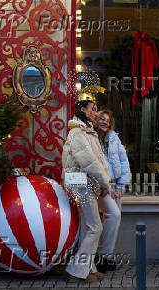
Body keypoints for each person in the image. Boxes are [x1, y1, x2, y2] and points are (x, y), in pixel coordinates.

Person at [62, 100, 111, 282]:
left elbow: (97, 161)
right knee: (95, 226)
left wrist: (100, 182)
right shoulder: (78, 132)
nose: (95, 113)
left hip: (85, 182)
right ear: (82, 110)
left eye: (97, 109)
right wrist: (105, 182)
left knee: (87, 226)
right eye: (93, 109)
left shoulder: (87, 132)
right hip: (79, 182)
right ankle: (76, 270)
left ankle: (88, 268)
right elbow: (89, 161)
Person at [94, 110, 131, 272]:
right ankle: (97, 255)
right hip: (100, 186)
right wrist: (106, 185)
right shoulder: (92, 138)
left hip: (116, 185)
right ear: (96, 120)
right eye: (102, 119)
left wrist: (122, 184)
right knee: (106, 217)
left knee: (114, 220)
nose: (105, 123)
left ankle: (106, 256)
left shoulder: (114, 138)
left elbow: (124, 161)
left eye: (107, 121)